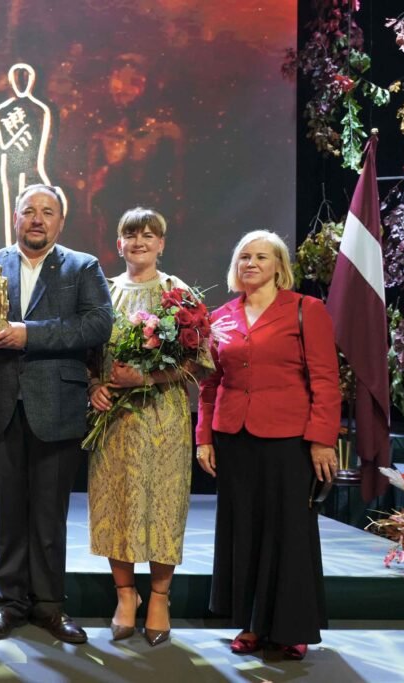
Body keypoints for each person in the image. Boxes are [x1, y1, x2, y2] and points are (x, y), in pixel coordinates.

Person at [0, 183, 113, 644]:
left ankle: (49, 605)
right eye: (29, 211)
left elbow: (98, 323)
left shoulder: (82, 266)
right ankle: (9, 603)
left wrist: (29, 334)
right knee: (7, 511)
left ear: (60, 221)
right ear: (15, 217)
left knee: (49, 513)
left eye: (47, 212)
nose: (37, 219)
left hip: (58, 406)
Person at [196, 230, 340, 660]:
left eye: (261, 256)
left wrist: (322, 441)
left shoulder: (306, 310)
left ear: (279, 266)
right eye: (244, 257)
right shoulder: (220, 317)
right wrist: (203, 437)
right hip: (233, 439)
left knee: (288, 532)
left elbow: (325, 380)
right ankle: (252, 624)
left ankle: (291, 629)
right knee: (244, 531)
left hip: (289, 439)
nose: (251, 263)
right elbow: (209, 384)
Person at [87, 208, 211, 646]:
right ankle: (126, 596)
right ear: (118, 244)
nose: (139, 241)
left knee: (163, 505)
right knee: (116, 503)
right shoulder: (101, 291)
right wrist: (94, 386)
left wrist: (148, 377)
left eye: (148, 235)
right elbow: (86, 352)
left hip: (163, 418)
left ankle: (159, 597)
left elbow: (199, 361)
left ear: (161, 243)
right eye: (130, 234)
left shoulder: (179, 293)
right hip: (115, 420)